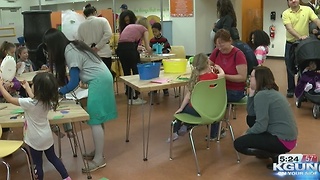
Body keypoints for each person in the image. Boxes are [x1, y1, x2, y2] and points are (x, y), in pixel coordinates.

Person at [43, 28, 118, 173]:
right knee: (97, 119)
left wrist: (58, 92)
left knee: (95, 120)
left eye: (48, 46)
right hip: (101, 79)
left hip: (99, 81)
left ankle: (99, 159)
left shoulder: (70, 52)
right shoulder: (72, 47)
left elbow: (73, 83)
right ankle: (98, 151)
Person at [0, 72, 72, 180]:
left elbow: (10, 99)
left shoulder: (28, 103)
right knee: (53, 158)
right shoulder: (48, 101)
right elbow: (35, 99)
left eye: (33, 84)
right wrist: (27, 87)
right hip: (47, 136)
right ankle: (66, 177)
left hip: (34, 139)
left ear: (38, 89)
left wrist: (1, 86)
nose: (32, 85)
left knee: (37, 163)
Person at [234, 66, 298, 169]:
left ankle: (274, 154)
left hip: (282, 141)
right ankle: (271, 151)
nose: (249, 78)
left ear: (259, 79)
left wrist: (247, 133)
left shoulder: (262, 95)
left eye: (252, 76)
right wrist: (251, 94)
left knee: (239, 144)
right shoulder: (269, 92)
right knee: (250, 119)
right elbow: (251, 114)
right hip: (288, 139)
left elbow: (261, 126)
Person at [167, 53, 225, 142]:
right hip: (212, 110)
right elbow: (222, 75)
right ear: (207, 63)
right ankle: (214, 134)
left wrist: (181, 108)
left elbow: (187, 97)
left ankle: (176, 131)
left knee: (182, 112)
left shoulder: (196, 79)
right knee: (213, 115)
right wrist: (219, 68)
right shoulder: (213, 76)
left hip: (197, 110)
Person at [209, 29, 247, 140]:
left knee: (214, 100)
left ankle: (215, 131)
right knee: (204, 96)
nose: (220, 48)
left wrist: (224, 76)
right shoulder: (216, 52)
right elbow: (208, 66)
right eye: (217, 45)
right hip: (219, 87)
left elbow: (242, 77)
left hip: (235, 90)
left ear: (230, 41)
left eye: (222, 45)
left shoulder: (238, 54)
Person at [282, 0, 320, 98]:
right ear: (288, 2)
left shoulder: (307, 10)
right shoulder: (286, 13)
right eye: (290, 0)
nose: (293, 1)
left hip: (304, 44)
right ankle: (291, 89)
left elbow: (316, 20)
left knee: (303, 65)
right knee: (289, 66)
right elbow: (289, 28)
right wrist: (299, 36)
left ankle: (301, 89)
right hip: (291, 43)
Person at [117, 17, 153, 105]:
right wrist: (153, 51)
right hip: (130, 49)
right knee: (136, 73)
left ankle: (130, 97)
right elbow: (148, 48)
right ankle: (135, 97)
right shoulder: (144, 29)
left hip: (120, 49)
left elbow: (127, 41)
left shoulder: (130, 26)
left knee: (127, 73)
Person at [78, 4, 116, 79]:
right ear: (95, 12)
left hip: (89, 55)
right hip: (104, 53)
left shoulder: (81, 26)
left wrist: (90, 49)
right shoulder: (103, 20)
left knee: (94, 78)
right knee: (106, 76)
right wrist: (98, 47)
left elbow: (80, 41)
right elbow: (108, 34)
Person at [0, 42, 21, 140]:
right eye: (12, 53)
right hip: (2, 102)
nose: (13, 56)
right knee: (3, 125)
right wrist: (3, 88)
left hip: (10, 100)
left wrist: (12, 84)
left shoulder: (9, 69)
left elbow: (18, 84)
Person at [150, 22, 171, 96]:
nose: (154, 33)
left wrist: (163, 51)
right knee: (154, 75)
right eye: (153, 32)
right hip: (154, 60)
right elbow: (150, 49)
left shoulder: (164, 40)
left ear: (160, 31)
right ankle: (154, 89)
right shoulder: (152, 40)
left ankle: (165, 89)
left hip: (162, 61)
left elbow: (168, 48)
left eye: (155, 31)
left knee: (162, 75)